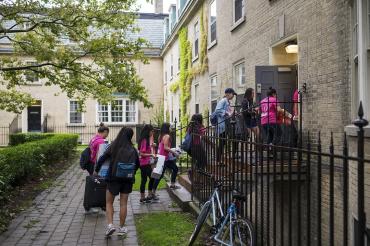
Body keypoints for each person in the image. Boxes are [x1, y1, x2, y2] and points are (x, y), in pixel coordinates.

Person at [94, 127, 140, 237]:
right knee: (123, 204)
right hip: (127, 180)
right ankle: (122, 228)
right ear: (130, 136)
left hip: (113, 178)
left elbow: (102, 158)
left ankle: (110, 225)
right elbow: (137, 165)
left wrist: (96, 170)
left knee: (109, 202)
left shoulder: (114, 146)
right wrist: (129, 173)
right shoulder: (133, 149)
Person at [151, 123, 180, 199]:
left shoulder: (161, 136)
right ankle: (152, 193)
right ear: (167, 128)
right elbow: (166, 148)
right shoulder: (167, 136)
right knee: (159, 176)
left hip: (163, 158)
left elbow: (161, 147)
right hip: (163, 159)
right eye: (170, 127)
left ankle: (172, 184)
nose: (171, 128)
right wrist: (175, 152)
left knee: (175, 168)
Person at [214, 88, 237, 162]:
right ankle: (218, 160)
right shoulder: (223, 100)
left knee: (223, 142)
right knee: (222, 142)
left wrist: (232, 113)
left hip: (226, 124)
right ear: (228, 94)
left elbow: (228, 112)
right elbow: (217, 110)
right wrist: (227, 113)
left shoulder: (227, 102)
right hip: (222, 125)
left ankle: (220, 159)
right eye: (233, 94)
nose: (233, 96)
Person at [138, 124, 156, 203]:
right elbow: (141, 153)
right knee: (151, 178)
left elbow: (145, 149)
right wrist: (151, 154)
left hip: (145, 163)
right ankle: (148, 195)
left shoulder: (145, 139)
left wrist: (152, 145)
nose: (153, 133)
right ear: (148, 131)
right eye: (152, 131)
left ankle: (144, 197)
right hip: (144, 164)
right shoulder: (144, 140)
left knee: (145, 179)